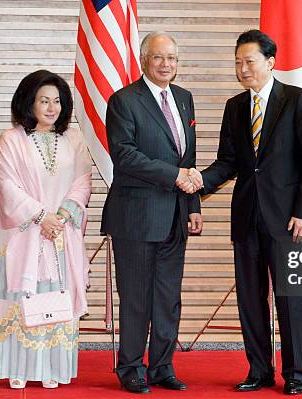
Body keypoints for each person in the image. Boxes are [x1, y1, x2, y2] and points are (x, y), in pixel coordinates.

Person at [195, 29, 302, 395]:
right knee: (250, 299)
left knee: (291, 299)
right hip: (247, 217)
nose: (243, 68)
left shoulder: (297, 100)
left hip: (288, 221)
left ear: (270, 61)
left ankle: (295, 374)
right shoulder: (235, 107)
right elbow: (227, 162)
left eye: (249, 61)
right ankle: (259, 370)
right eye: (237, 62)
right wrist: (195, 181)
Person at [100, 32, 202, 394]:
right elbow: (125, 155)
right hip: (136, 217)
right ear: (144, 60)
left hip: (175, 215)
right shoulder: (124, 101)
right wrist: (175, 177)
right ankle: (129, 367)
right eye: (159, 57)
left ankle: (161, 366)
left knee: (167, 297)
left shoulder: (185, 99)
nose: (166, 64)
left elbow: (187, 159)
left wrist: (192, 205)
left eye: (172, 58)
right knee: (137, 297)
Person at [0, 70, 92, 389]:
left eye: (57, 101)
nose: (52, 107)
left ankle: (52, 370)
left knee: (56, 298)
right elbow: (7, 187)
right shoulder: (11, 139)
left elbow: (83, 182)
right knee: (23, 298)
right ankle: (18, 368)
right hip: (25, 236)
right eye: (44, 100)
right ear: (28, 102)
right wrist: (40, 216)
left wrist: (60, 216)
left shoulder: (74, 138)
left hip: (61, 234)